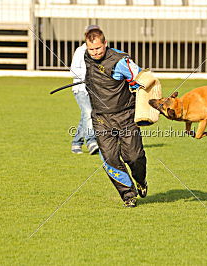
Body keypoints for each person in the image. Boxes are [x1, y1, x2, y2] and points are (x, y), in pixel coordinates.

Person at [84, 27, 148, 208]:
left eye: (99, 48)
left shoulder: (120, 61)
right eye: (91, 49)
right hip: (101, 119)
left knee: (134, 157)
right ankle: (128, 195)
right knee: (110, 159)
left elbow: (142, 78)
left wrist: (137, 86)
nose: (95, 53)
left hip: (125, 115)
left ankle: (141, 180)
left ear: (105, 43)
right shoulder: (85, 56)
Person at [69, 26, 100, 155]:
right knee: (88, 113)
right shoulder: (80, 51)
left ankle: (76, 143)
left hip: (95, 89)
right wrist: (88, 77)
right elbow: (74, 70)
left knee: (86, 116)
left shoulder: (100, 52)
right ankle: (91, 142)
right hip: (81, 88)